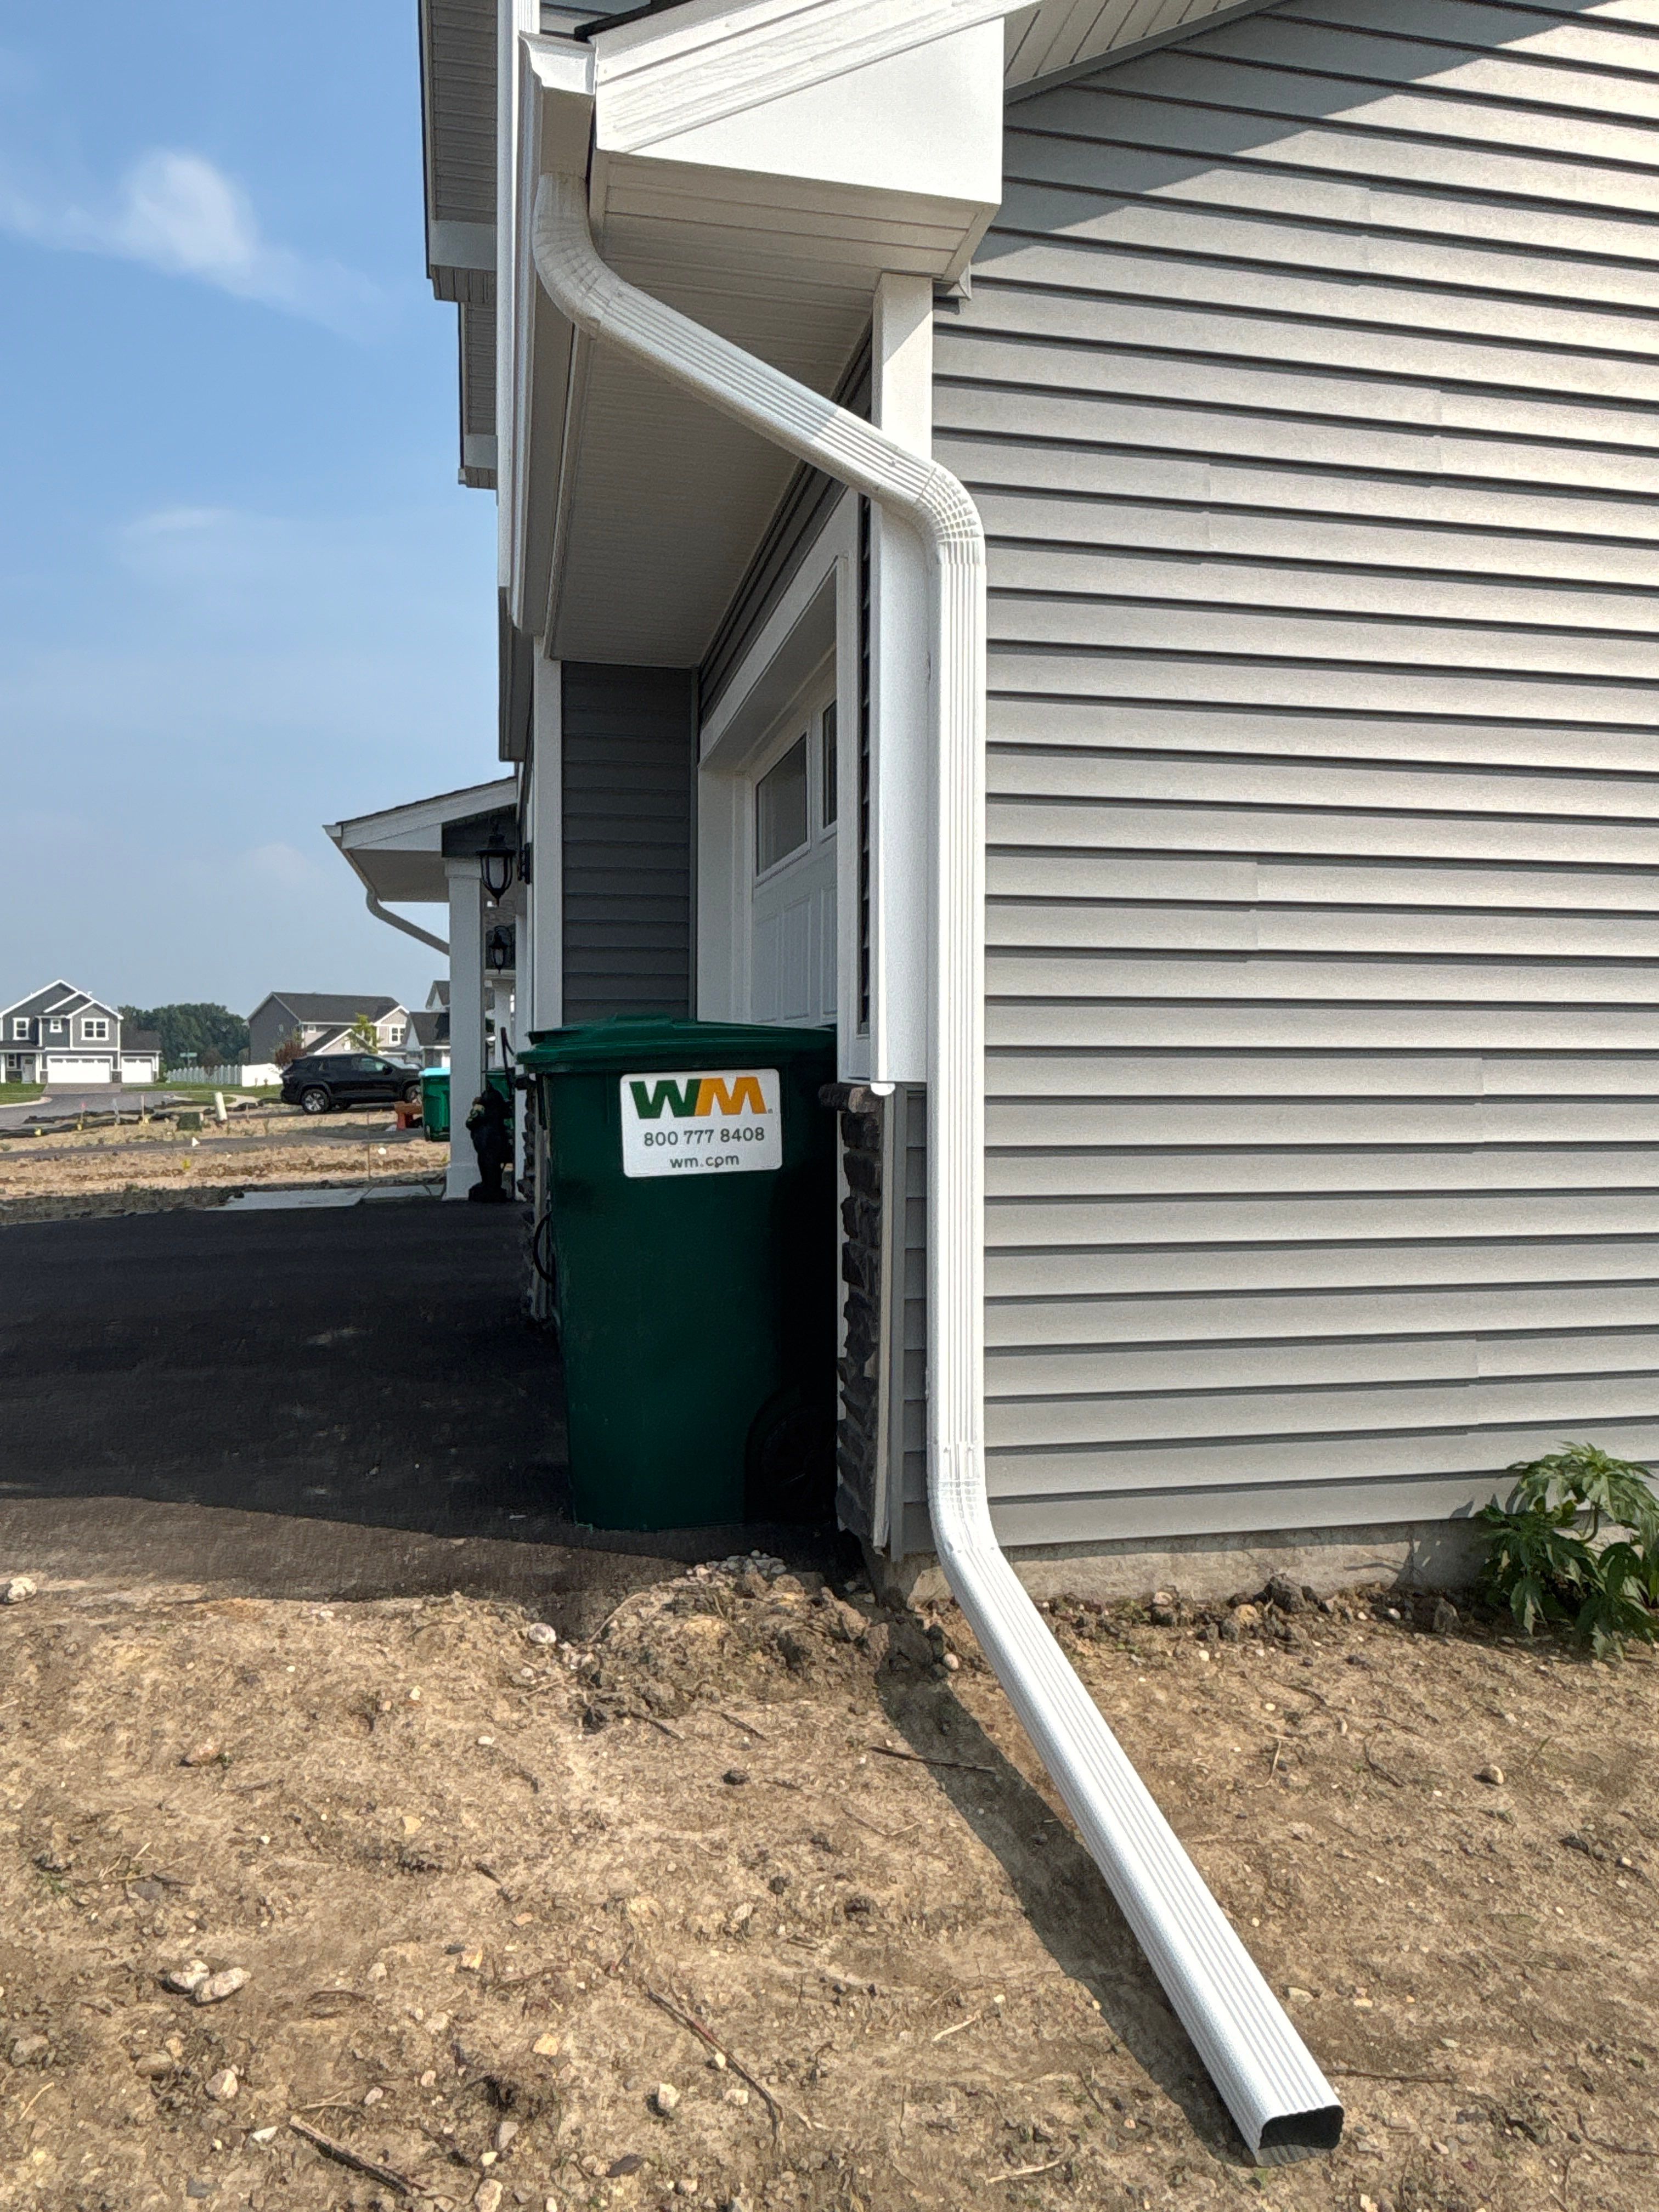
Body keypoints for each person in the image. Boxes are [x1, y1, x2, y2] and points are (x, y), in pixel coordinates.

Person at [465, 1084, 512, 1202]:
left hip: (486, 1143)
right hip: (493, 1142)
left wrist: (475, 1107)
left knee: (487, 1165)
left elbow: (470, 1123)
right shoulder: (498, 1111)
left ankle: (490, 1187)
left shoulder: (481, 1110)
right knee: (492, 1166)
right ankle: (492, 1187)